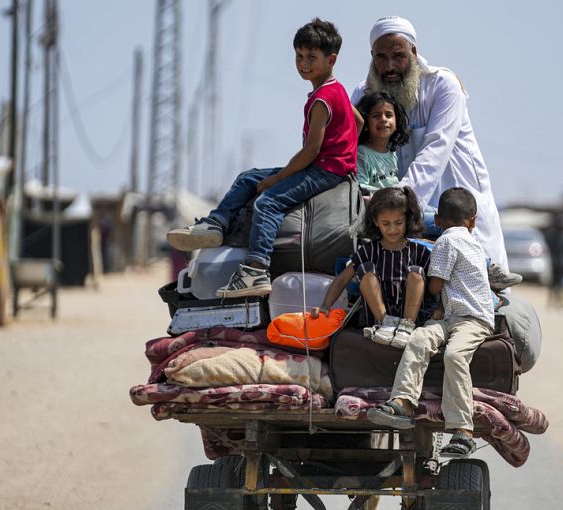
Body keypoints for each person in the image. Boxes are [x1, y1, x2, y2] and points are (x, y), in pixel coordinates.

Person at [166, 18, 362, 297]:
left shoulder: (322, 100)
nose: (304, 63)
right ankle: (216, 224)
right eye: (299, 56)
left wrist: (279, 178)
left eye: (312, 58)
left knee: (269, 202)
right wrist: (349, 149)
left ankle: (256, 269)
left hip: (325, 169)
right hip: (330, 164)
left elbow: (311, 151)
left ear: (331, 60)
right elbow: (359, 122)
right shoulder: (337, 90)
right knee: (247, 177)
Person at [351, 16, 508, 277]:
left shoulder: (442, 85)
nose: (390, 66)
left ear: (414, 52)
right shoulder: (363, 94)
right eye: (381, 57)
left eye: (398, 56)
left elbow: (435, 151)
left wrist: (399, 203)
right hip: (395, 217)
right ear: (371, 56)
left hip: (451, 204)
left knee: (475, 284)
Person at [366, 187, 494, 457]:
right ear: (473, 220)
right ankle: (403, 402)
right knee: (419, 338)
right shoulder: (475, 241)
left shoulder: (447, 241)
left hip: (472, 319)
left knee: (455, 355)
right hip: (451, 317)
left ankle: (463, 430)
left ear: (436, 221)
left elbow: (435, 286)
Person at [311, 187, 429, 349]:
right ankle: (385, 323)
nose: (392, 229)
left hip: (410, 320)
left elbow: (437, 285)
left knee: (417, 274)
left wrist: (441, 309)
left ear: (407, 220)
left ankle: (406, 327)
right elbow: (342, 279)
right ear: (375, 221)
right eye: (386, 223)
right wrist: (325, 306)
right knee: (366, 272)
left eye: (398, 223)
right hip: (377, 321)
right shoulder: (369, 250)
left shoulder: (419, 252)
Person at [354, 91, 409, 194]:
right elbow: (361, 187)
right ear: (366, 122)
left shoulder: (392, 152)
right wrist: (389, 194)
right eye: (376, 116)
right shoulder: (361, 154)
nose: (383, 119)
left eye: (388, 115)